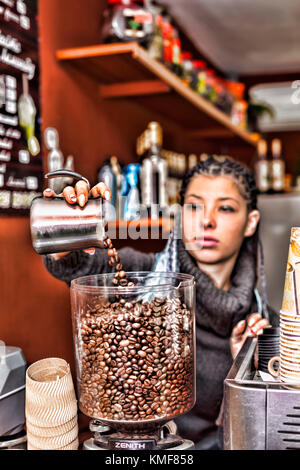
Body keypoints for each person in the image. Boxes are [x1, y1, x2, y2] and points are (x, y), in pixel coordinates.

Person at [42, 154, 279, 450]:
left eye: (226, 208)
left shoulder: (264, 324)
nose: (206, 220)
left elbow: (265, 434)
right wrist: (62, 228)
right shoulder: (139, 279)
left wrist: (244, 374)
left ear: (250, 222)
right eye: (194, 206)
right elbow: (71, 265)